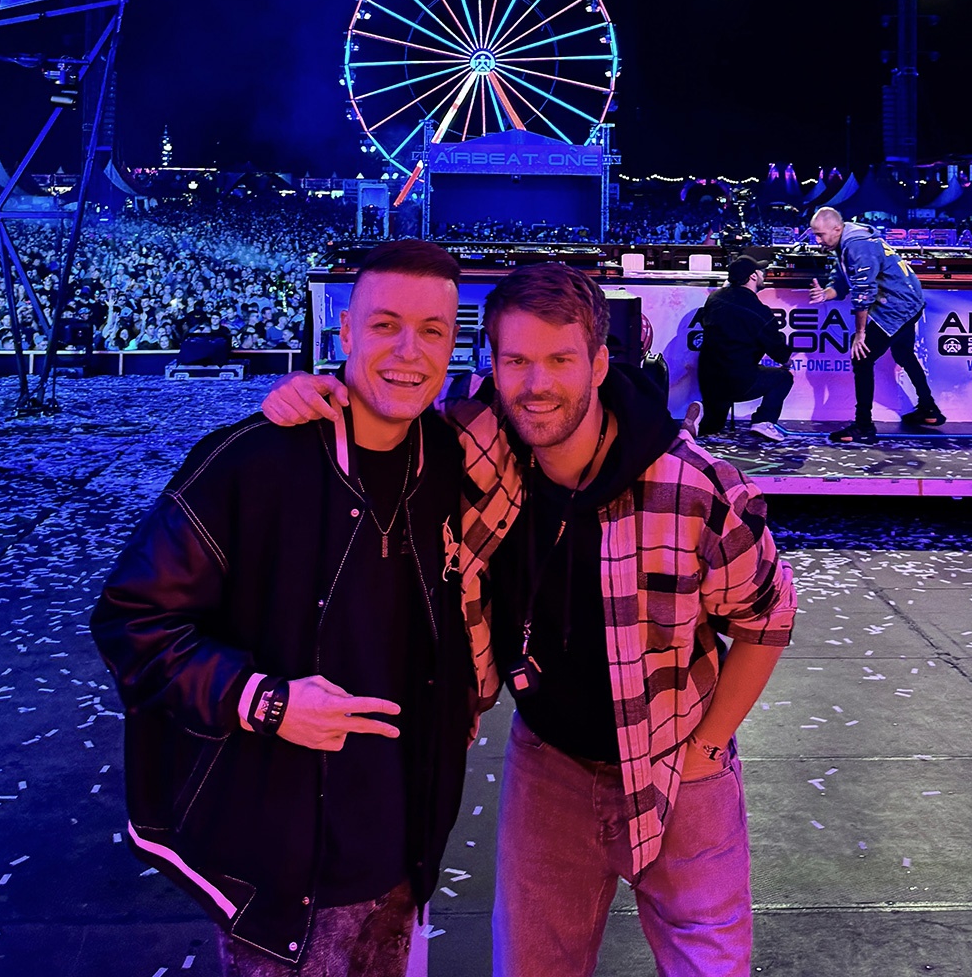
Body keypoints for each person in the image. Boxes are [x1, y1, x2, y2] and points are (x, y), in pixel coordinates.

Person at [263, 262, 796, 977]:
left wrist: (708, 747)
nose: (536, 383)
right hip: (550, 765)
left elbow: (768, 614)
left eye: (559, 360)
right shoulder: (476, 445)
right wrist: (311, 396)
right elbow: (382, 416)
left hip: (679, 759)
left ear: (601, 362)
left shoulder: (691, 485)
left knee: (711, 967)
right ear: (490, 363)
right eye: (516, 360)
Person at [90, 239, 484, 976]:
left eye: (433, 329)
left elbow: (555, 403)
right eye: (385, 325)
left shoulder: (446, 456)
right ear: (344, 334)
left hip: (402, 848)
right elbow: (131, 620)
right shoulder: (250, 462)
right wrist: (263, 701)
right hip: (285, 867)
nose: (410, 350)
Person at [808, 205, 945, 444]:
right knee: (903, 353)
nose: (817, 240)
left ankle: (864, 426)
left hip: (897, 306)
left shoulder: (857, 245)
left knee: (861, 357)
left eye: (820, 234)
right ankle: (929, 408)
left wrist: (861, 333)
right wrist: (825, 295)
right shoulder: (845, 241)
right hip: (907, 302)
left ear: (837, 228)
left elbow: (863, 292)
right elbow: (842, 282)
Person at [696, 254, 794, 441]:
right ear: (753, 276)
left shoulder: (714, 299)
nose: (764, 273)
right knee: (783, 378)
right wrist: (788, 362)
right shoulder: (759, 312)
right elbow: (779, 351)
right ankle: (763, 422)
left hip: (708, 379)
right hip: (738, 381)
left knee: (711, 428)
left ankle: (698, 417)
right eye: (761, 270)